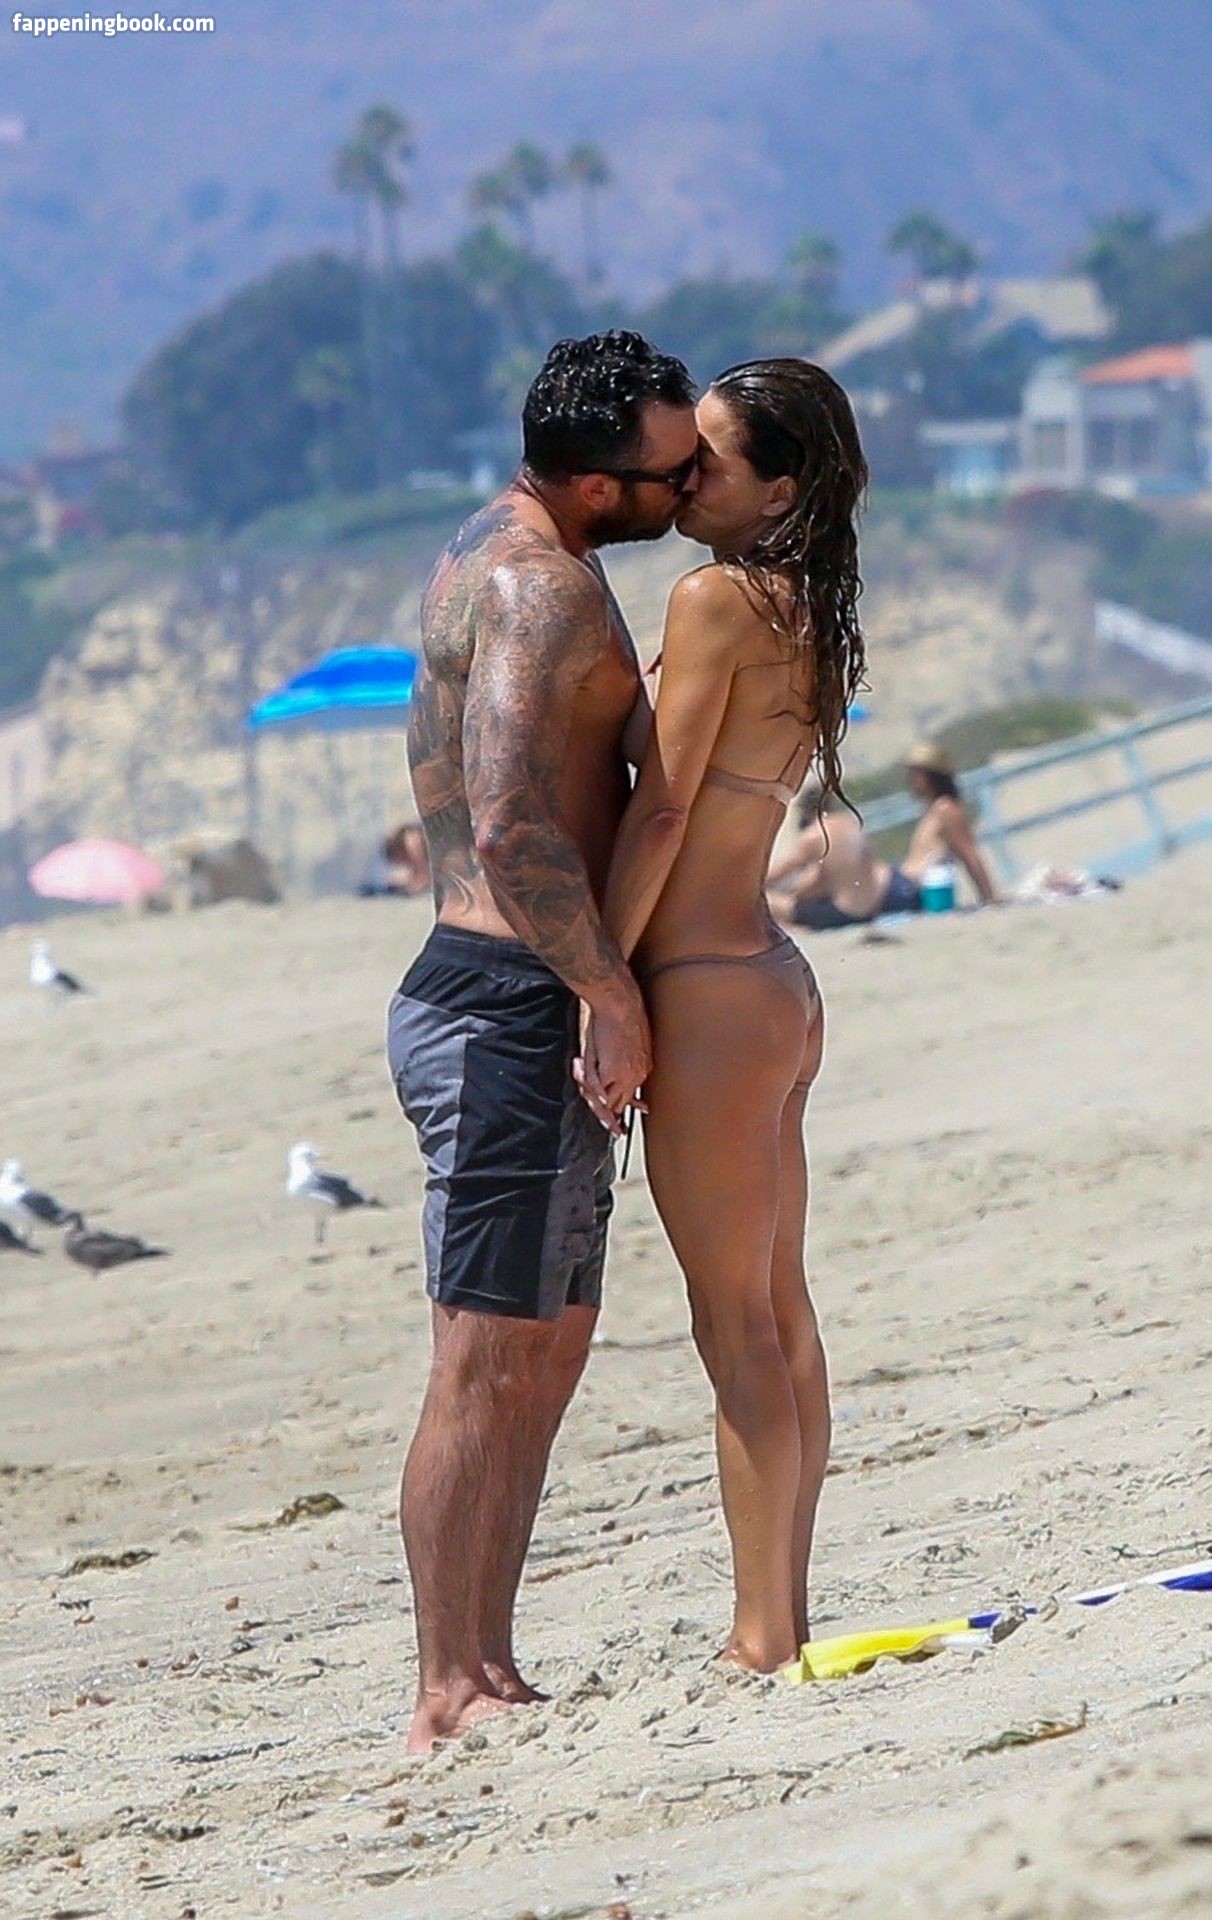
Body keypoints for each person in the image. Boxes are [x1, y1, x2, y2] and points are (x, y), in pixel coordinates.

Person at [386, 331, 699, 1745]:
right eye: (668, 474)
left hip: (518, 995)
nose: (685, 490)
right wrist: (607, 990)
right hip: (508, 1004)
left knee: (545, 1350)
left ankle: (491, 1663)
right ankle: (445, 1683)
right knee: (484, 1359)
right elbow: (510, 814)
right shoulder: (537, 583)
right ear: (593, 483)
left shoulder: (508, 548)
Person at [587, 358, 869, 1672]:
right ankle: (781, 1619)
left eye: (708, 460)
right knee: (778, 1314)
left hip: (702, 989)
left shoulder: (712, 600)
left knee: (735, 1324)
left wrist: (597, 978)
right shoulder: (803, 607)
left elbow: (659, 810)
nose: (680, 476)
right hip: (770, 982)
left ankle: (760, 1635)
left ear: (779, 489)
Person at [770, 742, 1000, 928]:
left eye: (915, 774)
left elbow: (969, 854)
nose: (910, 780)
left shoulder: (945, 810)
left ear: (931, 776)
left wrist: (990, 898)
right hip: (905, 886)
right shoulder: (933, 809)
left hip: (909, 888)